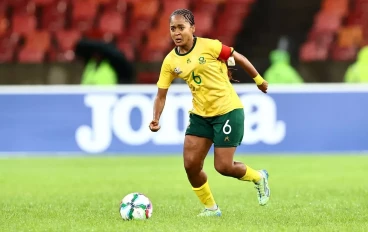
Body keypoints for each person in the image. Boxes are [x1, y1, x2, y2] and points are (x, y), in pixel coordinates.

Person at [149, 9, 270, 217]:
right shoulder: (170, 62)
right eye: (172, 29)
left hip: (227, 111)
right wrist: (155, 119)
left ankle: (258, 176)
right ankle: (211, 209)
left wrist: (258, 80)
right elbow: (161, 94)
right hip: (200, 115)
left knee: (223, 166)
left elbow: (237, 57)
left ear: (193, 28)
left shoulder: (209, 46)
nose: (176, 33)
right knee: (191, 165)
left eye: (181, 27)